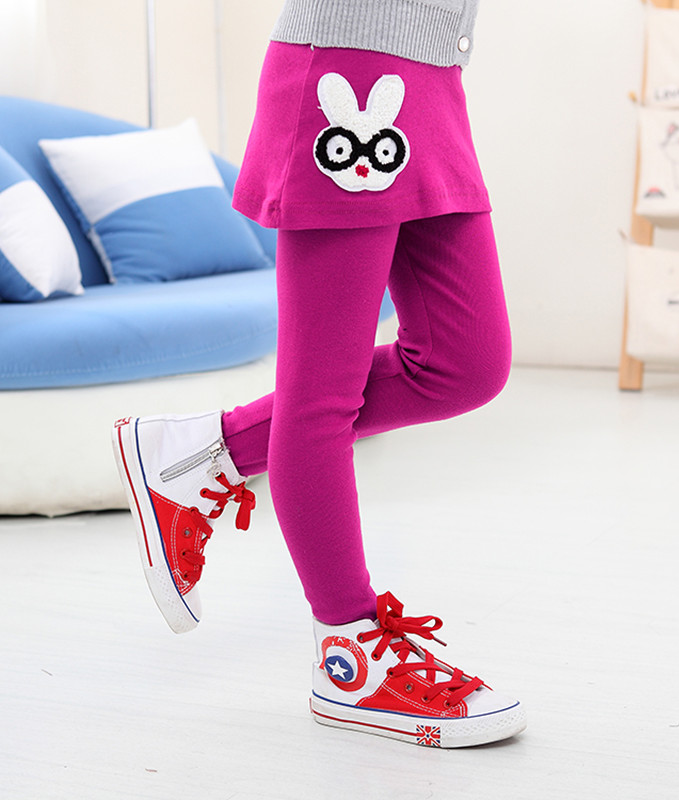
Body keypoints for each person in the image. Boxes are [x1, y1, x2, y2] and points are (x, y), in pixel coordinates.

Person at [112, 0, 525, 749]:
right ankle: (349, 657)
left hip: (431, 79)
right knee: (322, 395)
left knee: (466, 362)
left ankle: (198, 453)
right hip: (348, 67)